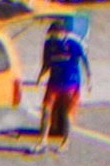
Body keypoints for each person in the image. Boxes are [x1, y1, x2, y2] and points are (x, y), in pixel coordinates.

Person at [36, 15, 89, 155]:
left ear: (63, 33)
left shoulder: (73, 45)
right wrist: (40, 76)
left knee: (66, 114)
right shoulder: (49, 45)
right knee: (46, 110)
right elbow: (46, 63)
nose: (54, 37)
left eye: (56, 34)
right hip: (54, 82)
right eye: (52, 34)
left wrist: (88, 81)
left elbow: (84, 62)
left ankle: (65, 142)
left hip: (70, 84)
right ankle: (42, 141)